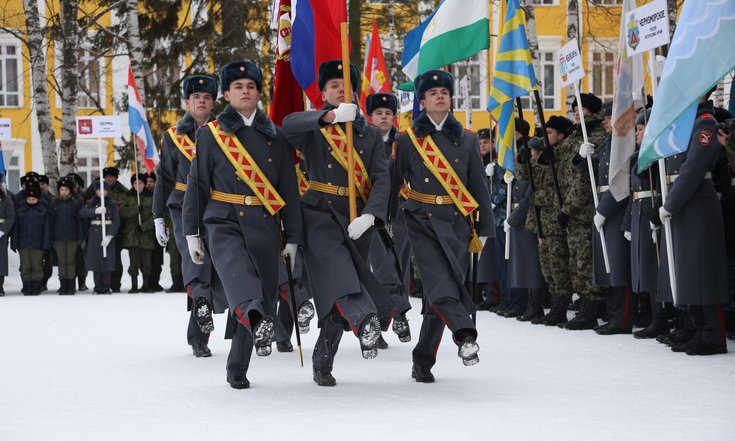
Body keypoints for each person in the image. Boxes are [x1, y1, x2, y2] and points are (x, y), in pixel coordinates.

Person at [183, 60, 303, 389]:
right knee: (241, 283)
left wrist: (292, 238)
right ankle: (257, 320)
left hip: (265, 226)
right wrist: (192, 232)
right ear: (226, 94)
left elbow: (289, 191)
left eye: (250, 86)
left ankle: (237, 366)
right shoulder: (211, 135)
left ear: (259, 93)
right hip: (223, 221)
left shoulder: (276, 137)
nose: (245, 91)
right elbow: (196, 185)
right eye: (238, 87)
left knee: (261, 297)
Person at [283, 59, 402, 387]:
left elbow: (381, 177)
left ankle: (323, 361)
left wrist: (371, 214)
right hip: (319, 213)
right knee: (341, 274)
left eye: (345, 86)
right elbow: (288, 125)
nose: (340, 90)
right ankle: (366, 321)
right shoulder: (315, 127)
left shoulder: (370, 135)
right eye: (333, 86)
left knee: (338, 289)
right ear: (323, 93)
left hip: (356, 219)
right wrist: (330, 117)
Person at [392, 69, 494, 383]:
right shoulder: (407, 140)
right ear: (422, 101)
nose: (440, 96)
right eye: (434, 93)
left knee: (441, 294)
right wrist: (379, 221)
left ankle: (423, 360)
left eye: (445, 93)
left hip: (458, 225)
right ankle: (465, 335)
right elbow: (395, 183)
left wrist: (484, 229)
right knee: (439, 283)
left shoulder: (468, 138)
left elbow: (478, 187)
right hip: (421, 222)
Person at [153, 74, 222, 358]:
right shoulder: (173, 138)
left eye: (206, 98)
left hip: (217, 206)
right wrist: (158, 216)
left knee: (216, 270)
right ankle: (199, 337)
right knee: (196, 265)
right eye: (196, 98)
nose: (201, 102)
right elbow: (163, 179)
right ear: (187, 102)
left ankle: (202, 332)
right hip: (182, 206)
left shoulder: (225, 133)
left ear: (213, 102)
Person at [658, 88, 729, 355]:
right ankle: (697, 328)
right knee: (690, 271)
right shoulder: (687, 123)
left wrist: (670, 204)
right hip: (686, 203)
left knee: (703, 273)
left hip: (697, 203)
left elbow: (694, 167)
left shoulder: (705, 123)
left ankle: (712, 334)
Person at [365, 91, 413, 349]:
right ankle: (401, 313)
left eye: (388, 113)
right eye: (378, 113)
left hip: (401, 212)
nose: (384, 117)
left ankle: (385, 321)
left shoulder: (403, 142)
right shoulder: (362, 141)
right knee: (382, 267)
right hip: (373, 215)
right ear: (369, 117)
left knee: (400, 267)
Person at [557, 93, 608, 330]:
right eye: (574, 108)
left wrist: (568, 208)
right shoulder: (576, 136)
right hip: (571, 208)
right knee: (577, 261)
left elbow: (584, 180)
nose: (576, 112)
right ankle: (584, 306)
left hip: (584, 208)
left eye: (582, 109)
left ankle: (591, 310)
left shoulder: (595, 137)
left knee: (586, 262)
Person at [625, 108, 670, 339]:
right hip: (638, 211)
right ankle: (653, 315)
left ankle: (661, 318)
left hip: (652, 210)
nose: (636, 134)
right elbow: (633, 191)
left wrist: (656, 212)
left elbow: (660, 185)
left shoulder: (657, 152)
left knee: (655, 266)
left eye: (641, 129)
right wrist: (626, 223)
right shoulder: (640, 153)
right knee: (645, 266)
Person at [526, 115, 574, 326]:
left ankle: (560, 308)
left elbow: (560, 190)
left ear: (561, 135)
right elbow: (528, 174)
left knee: (559, 266)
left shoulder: (563, 156)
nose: (545, 137)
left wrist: (537, 197)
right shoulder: (548, 156)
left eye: (550, 133)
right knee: (548, 267)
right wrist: (523, 159)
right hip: (543, 222)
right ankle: (555, 307)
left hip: (555, 219)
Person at [591, 102, 634, 335]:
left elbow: (620, 183)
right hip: (605, 204)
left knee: (618, 267)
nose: (605, 122)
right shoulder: (609, 144)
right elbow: (590, 170)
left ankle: (622, 318)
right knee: (608, 267)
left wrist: (603, 210)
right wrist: (583, 156)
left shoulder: (622, 143)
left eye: (608, 118)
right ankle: (613, 314)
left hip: (615, 207)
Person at [84, 167, 127, 292]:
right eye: (106, 177)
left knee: (114, 259)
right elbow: (85, 200)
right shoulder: (96, 191)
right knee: (98, 258)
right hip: (97, 230)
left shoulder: (122, 191)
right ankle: (100, 284)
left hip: (116, 230)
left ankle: (114, 284)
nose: (108, 179)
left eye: (111, 177)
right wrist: (95, 184)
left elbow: (123, 209)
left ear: (116, 178)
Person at [476, 127, 502, 311]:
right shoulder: (476, 162)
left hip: (495, 214)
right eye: (480, 143)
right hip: (477, 213)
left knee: (492, 257)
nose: (483, 145)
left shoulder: (498, 162)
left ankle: (494, 294)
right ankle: (480, 291)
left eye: (486, 142)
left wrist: (492, 201)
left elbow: (502, 186)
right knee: (480, 256)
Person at [80, 182, 120, 294]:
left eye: (104, 190)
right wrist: (95, 211)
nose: (101, 193)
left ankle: (106, 286)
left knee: (107, 261)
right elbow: (82, 213)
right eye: (99, 190)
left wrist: (110, 235)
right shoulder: (91, 202)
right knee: (96, 261)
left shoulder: (112, 204)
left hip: (107, 232)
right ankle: (98, 286)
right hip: (95, 233)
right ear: (95, 191)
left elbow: (116, 221)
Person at [11, 184, 51, 295]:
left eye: (33, 199)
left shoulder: (43, 211)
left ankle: (36, 286)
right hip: (23, 244)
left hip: (38, 244)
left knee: (37, 266)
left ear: (38, 199)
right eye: (29, 199)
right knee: (25, 267)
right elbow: (16, 229)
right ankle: (27, 286)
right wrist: (14, 243)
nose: (31, 200)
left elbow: (47, 229)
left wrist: (46, 244)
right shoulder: (20, 211)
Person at [120, 173, 155, 293]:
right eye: (135, 183)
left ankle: (146, 285)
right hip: (132, 236)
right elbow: (122, 211)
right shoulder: (127, 196)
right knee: (133, 262)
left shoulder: (150, 197)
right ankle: (134, 285)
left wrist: (144, 226)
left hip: (146, 236)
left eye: (140, 183)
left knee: (147, 262)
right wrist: (135, 209)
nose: (138, 185)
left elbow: (155, 215)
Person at [50, 177, 85, 295]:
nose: (64, 191)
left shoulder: (75, 203)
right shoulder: (54, 203)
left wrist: (80, 237)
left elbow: (79, 222)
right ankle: (63, 284)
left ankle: (70, 284)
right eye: (61, 189)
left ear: (70, 190)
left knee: (70, 261)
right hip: (58, 237)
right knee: (61, 261)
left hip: (72, 237)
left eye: (66, 189)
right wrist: (51, 237)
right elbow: (51, 222)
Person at [67, 173, 89, 291]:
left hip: (81, 232)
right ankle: (70, 282)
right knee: (70, 260)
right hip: (69, 233)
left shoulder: (81, 197)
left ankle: (82, 282)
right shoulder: (63, 197)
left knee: (81, 260)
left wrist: (83, 235)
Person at [146, 172, 164, 292]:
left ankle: (155, 282)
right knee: (147, 261)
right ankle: (147, 283)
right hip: (146, 234)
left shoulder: (160, 195)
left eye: (151, 182)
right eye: (147, 182)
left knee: (157, 260)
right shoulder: (142, 196)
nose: (149, 184)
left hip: (157, 231)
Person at [0, 173, 15, 296]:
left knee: (1, 261)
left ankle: (0, 286)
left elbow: (11, 216)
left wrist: (2, 231)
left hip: (1, 233)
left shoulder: (6, 199)